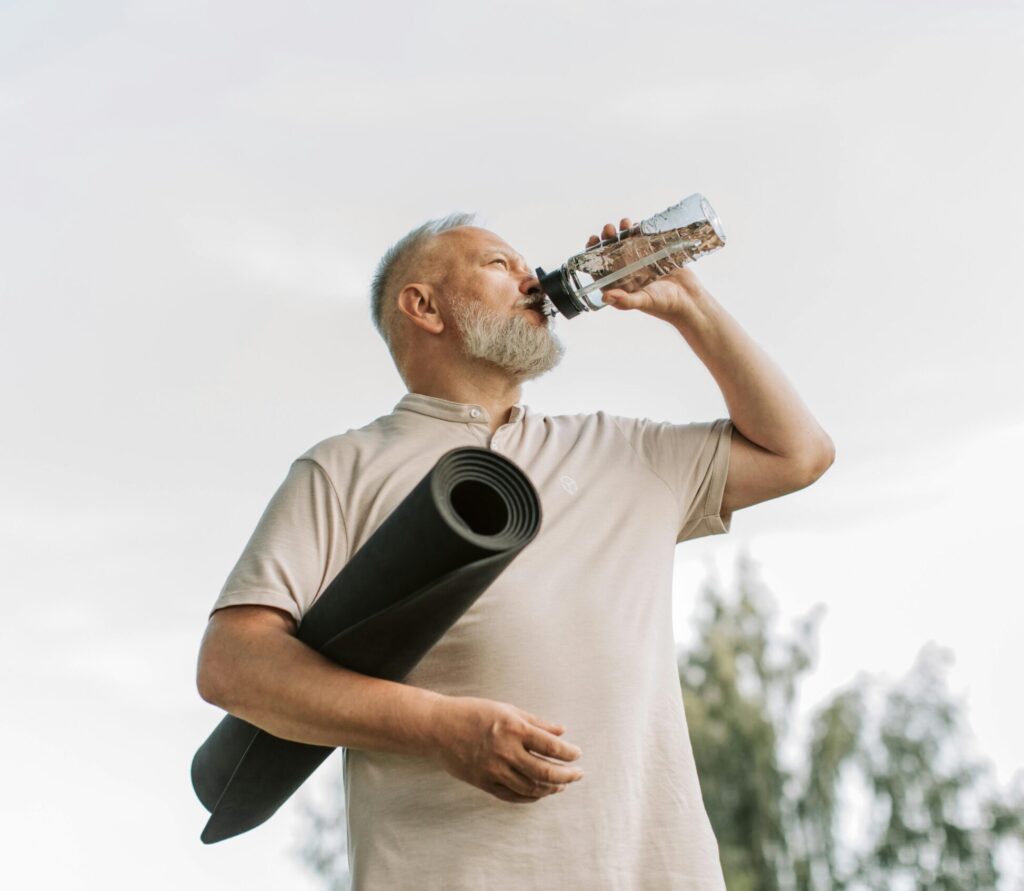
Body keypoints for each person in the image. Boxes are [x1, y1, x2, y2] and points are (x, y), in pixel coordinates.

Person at [195, 211, 835, 890]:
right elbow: (232, 664)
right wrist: (440, 726)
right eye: (498, 264)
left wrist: (690, 306)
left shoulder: (625, 451)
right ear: (424, 306)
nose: (531, 276)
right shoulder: (345, 468)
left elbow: (799, 452)